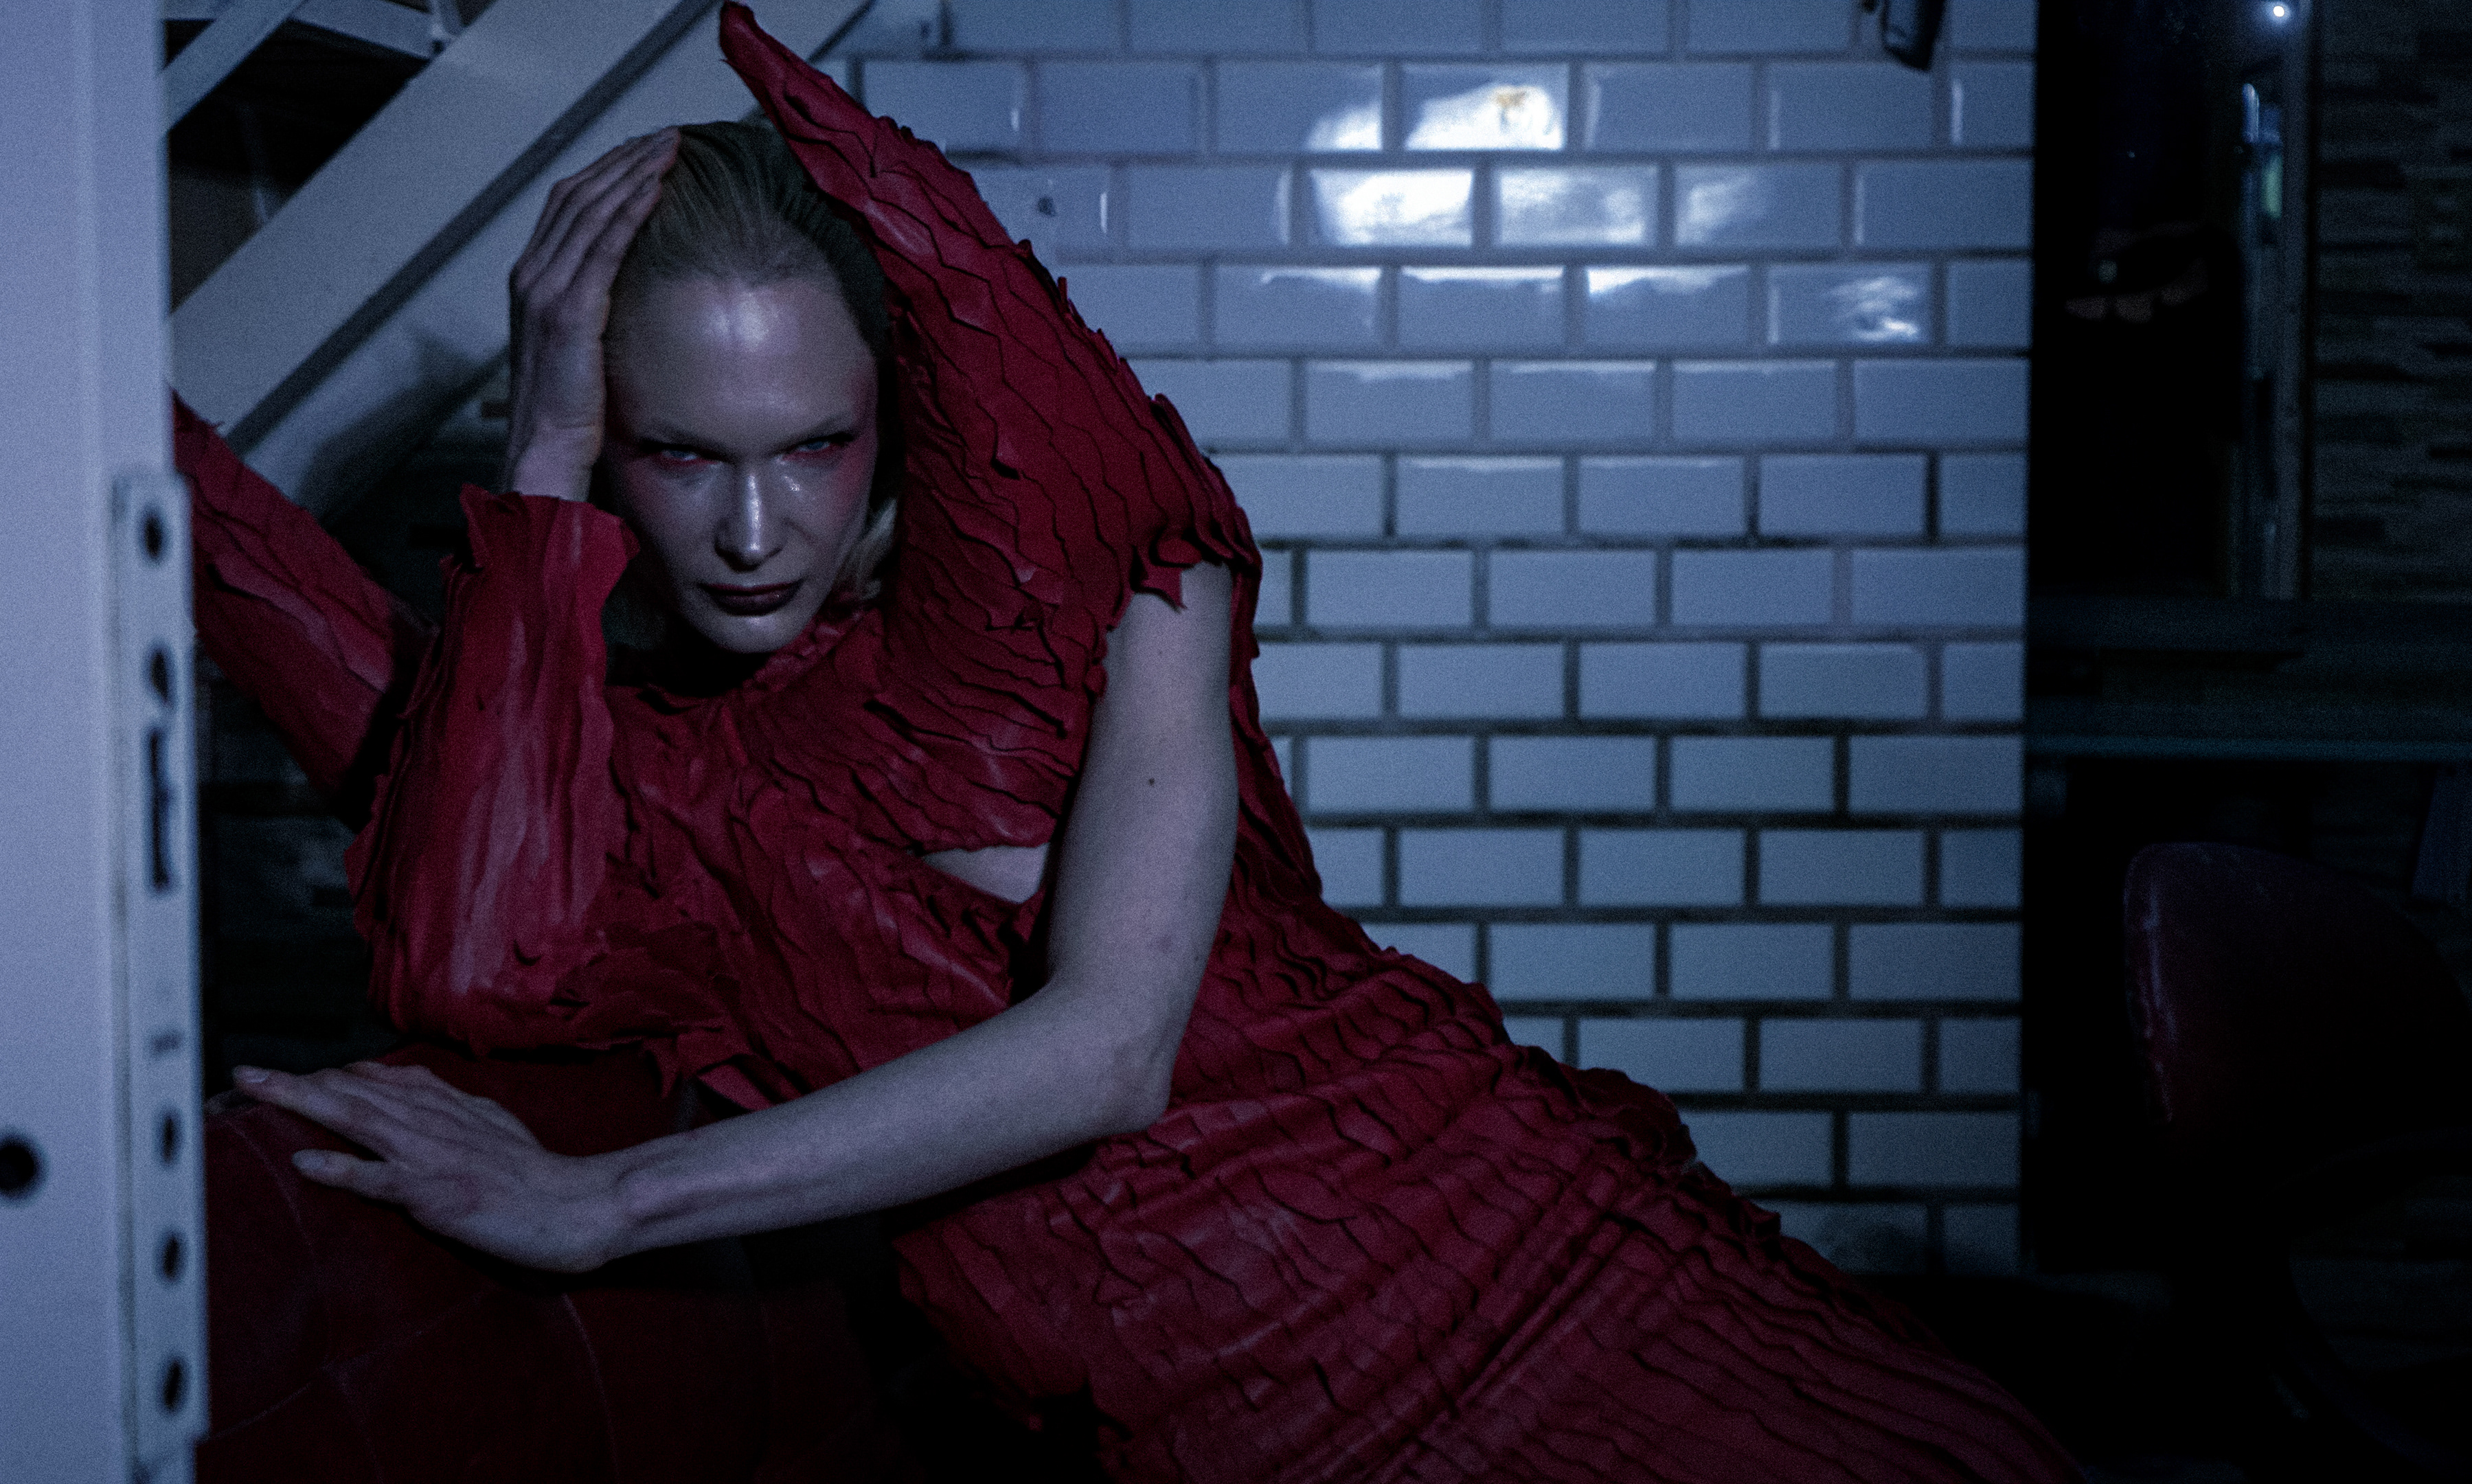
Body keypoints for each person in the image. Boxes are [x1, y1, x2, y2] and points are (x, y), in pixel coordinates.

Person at [192, 7, 2080, 1480]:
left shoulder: (1114, 572)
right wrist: (536, 454)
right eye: (680, 454)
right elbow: (468, 950)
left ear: (895, 423)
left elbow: (1109, 1050)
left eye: (814, 447)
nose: (754, 532)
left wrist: (607, 1200)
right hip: (1260, 1441)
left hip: (1554, 1283)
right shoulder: (648, 803)